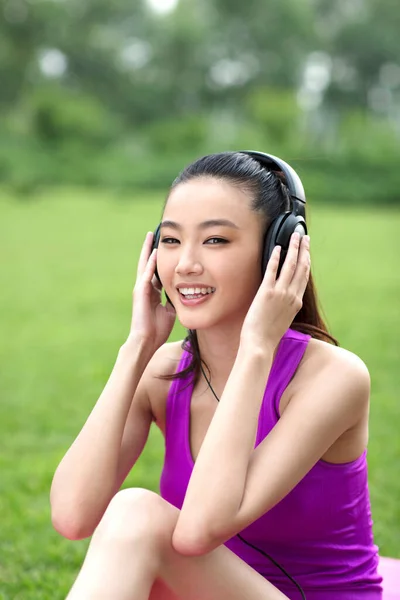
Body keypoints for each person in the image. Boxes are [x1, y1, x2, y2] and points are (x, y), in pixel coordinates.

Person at [51, 151, 383, 600]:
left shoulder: (333, 378)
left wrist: (257, 348)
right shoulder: (164, 372)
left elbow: (198, 531)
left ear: (278, 251)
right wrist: (137, 350)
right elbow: (73, 516)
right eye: (170, 241)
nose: (185, 264)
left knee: (137, 512)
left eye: (215, 241)